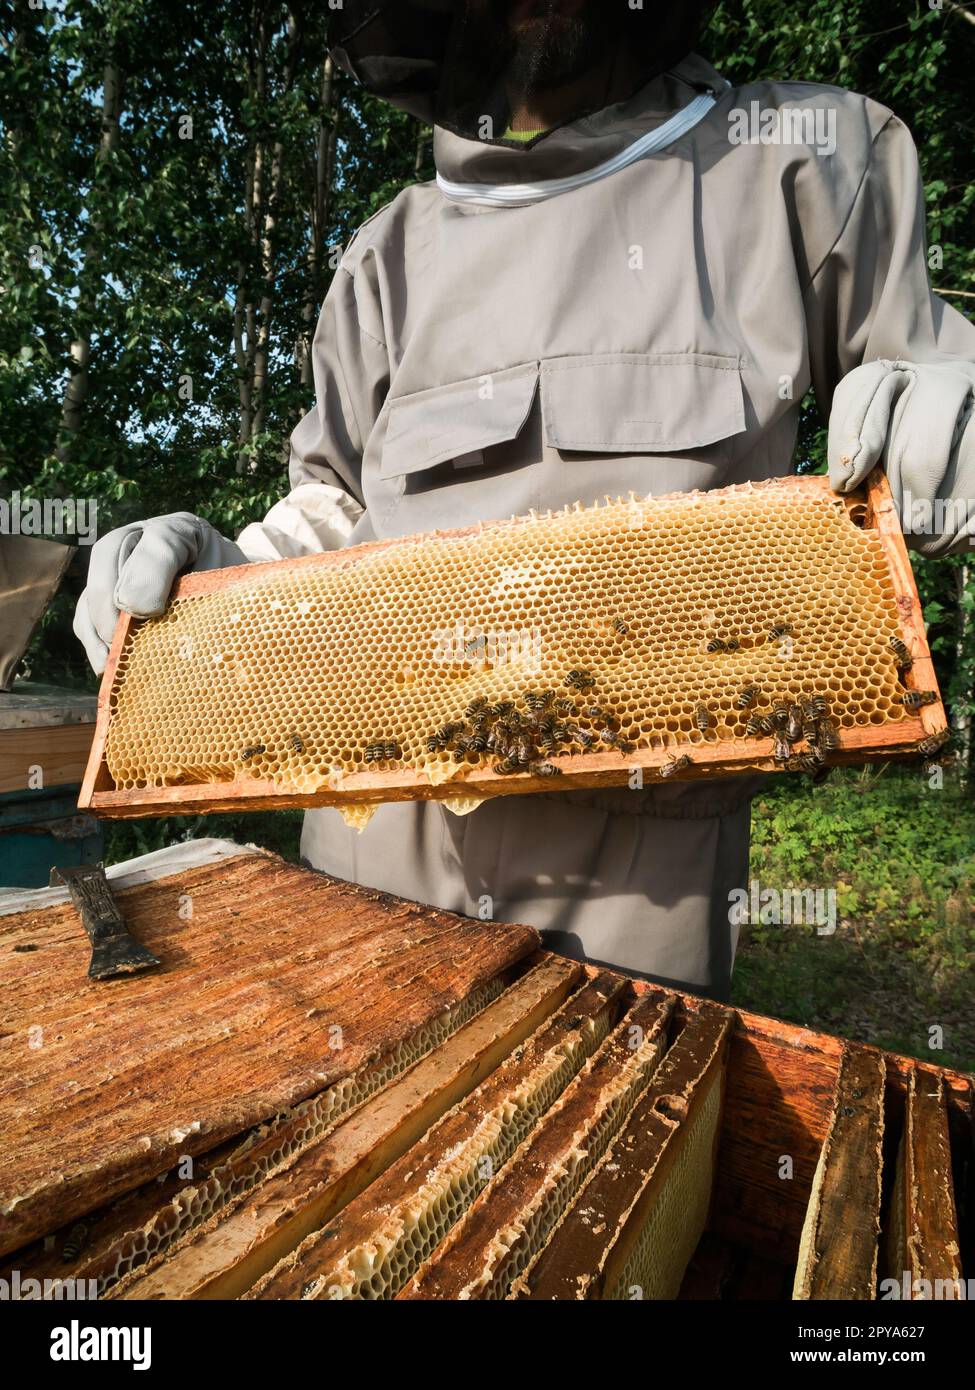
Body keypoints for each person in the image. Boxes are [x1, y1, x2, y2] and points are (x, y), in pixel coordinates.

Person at [74, 1, 975, 1000]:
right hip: (363, 853)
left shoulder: (804, 159)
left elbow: (930, 391)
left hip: (639, 897)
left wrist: (950, 423)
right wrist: (213, 583)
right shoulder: (388, 253)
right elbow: (328, 511)